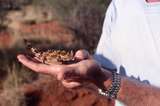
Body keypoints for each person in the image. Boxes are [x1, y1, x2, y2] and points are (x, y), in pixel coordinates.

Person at [17, 0, 160, 105]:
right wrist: (87, 76)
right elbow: (106, 70)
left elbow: (107, 78)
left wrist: (107, 81)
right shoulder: (120, 5)